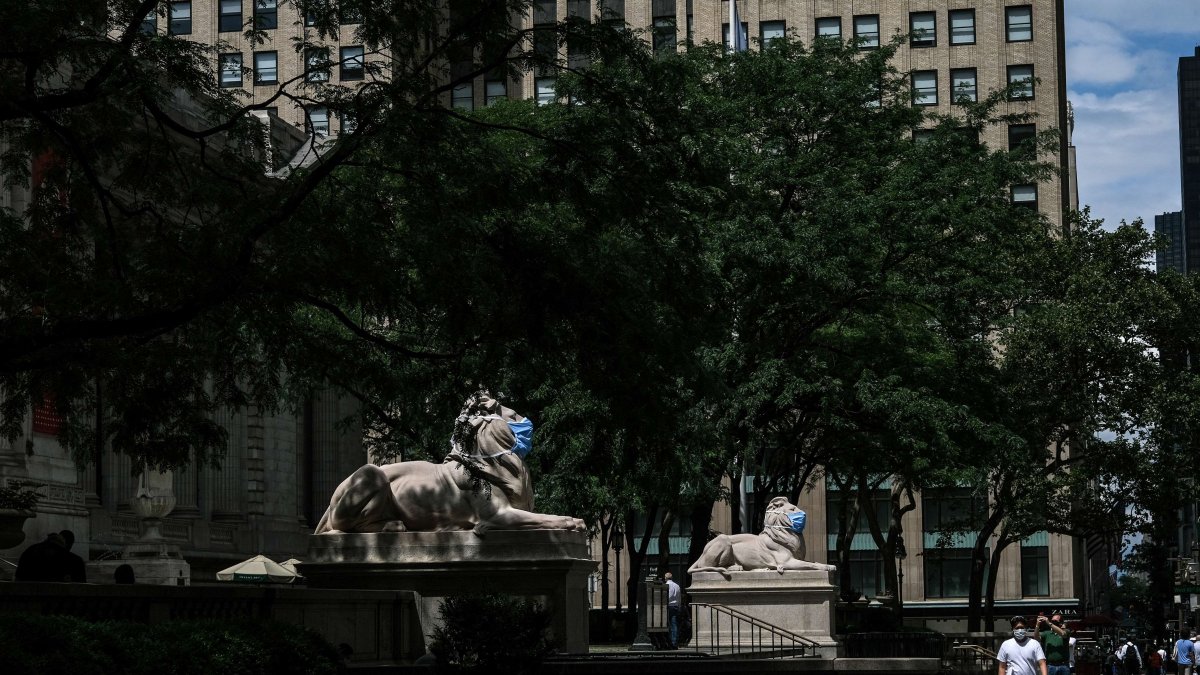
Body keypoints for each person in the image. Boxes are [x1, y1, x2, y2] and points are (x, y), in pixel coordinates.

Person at [665, 571, 681, 649]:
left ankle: (671, 643)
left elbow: (669, 596)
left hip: (669, 606)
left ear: (665, 578)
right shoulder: (677, 586)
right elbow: (679, 597)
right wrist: (679, 606)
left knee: (668, 625)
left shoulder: (667, 585)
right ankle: (675, 642)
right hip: (675, 606)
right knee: (674, 625)